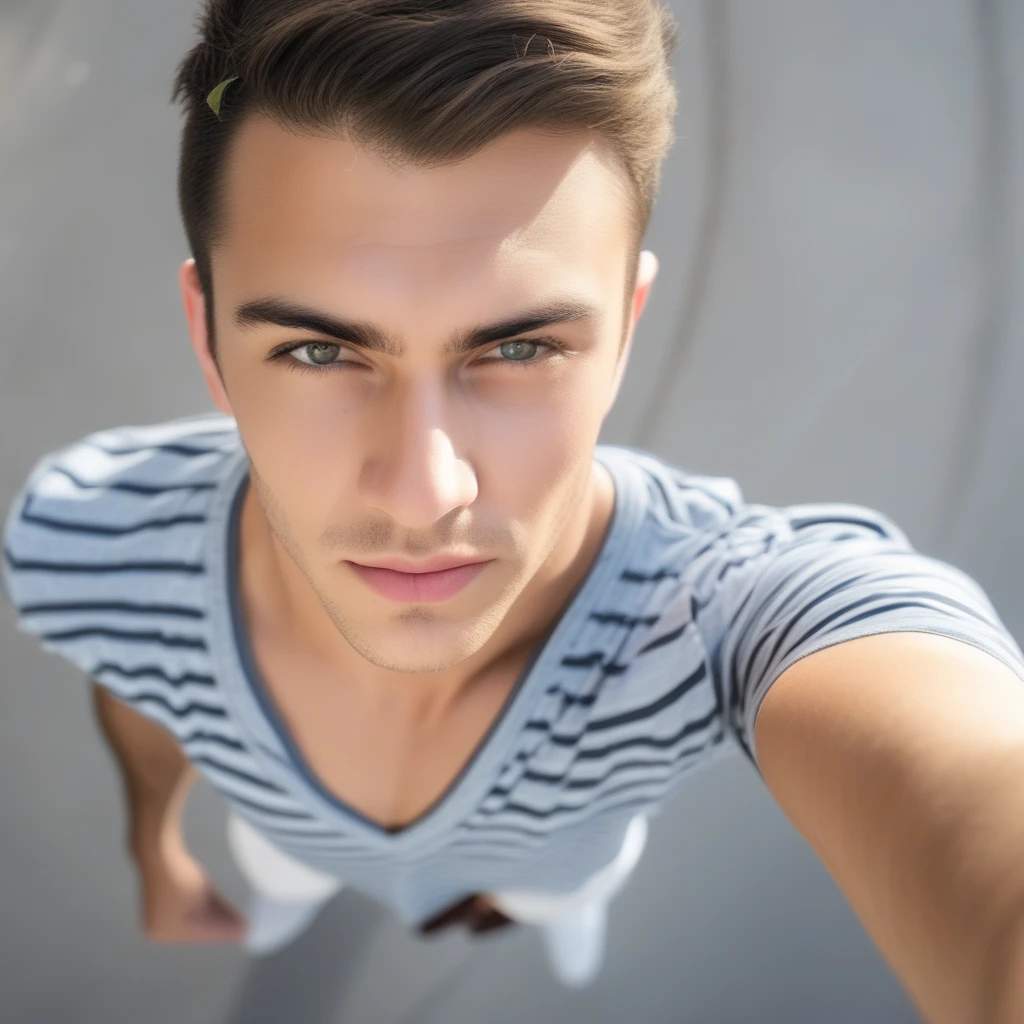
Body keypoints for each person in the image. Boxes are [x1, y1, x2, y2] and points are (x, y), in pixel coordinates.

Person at [4, 0, 1024, 1009]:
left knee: (558, 884)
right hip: (285, 836)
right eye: (318, 350)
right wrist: (158, 847)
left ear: (624, 331)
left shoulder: (723, 611)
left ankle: (549, 904)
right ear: (209, 335)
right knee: (285, 874)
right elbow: (134, 680)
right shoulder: (91, 540)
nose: (424, 492)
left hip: (555, 856)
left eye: (519, 346)